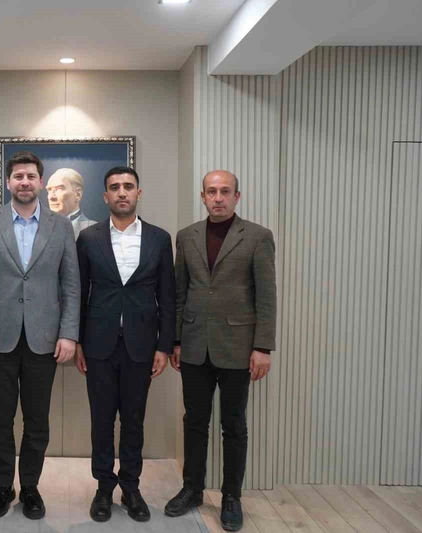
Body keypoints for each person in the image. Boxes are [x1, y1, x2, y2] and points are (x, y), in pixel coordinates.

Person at [0, 150, 80, 520]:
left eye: (31, 176)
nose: (25, 182)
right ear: (8, 182)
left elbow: (71, 285)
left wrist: (69, 334)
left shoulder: (61, 226)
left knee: (37, 421)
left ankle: (30, 486)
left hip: (44, 340)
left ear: (40, 182)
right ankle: (3, 486)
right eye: (18, 176)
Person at [165, 170, 276, 532]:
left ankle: (231, 497)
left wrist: (262, 347)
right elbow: (179, 293)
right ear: (203, 196)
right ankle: (192, 489)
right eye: (211, 192)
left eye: (225, 192)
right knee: (195, 422)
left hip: (237, 348)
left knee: (234, 425)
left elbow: (266, 297)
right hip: (195, 346)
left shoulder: (258, 236)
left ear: (236, 197)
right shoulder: (187, 237)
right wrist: (176, 341)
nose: (218, 198)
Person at [75, 166, 176, 523]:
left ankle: (131, 488)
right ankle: (104, 488)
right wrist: (78, 341)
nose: (122, 192)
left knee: (134, 420)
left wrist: (164, 346)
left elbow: (168, 296)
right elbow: (78, 293)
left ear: (138, 193)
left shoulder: (159, 239)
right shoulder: (88, 238)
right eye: (115, 187)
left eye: (128, 186)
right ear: (105, 196)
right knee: (101, 420)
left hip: (142, 346)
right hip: (98, 345)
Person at [46, 168, 96, 238]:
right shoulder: (40, 229)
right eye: (49, 190)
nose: (51, 197)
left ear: (78, 194)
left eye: (60, 188)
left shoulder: (94, 230)